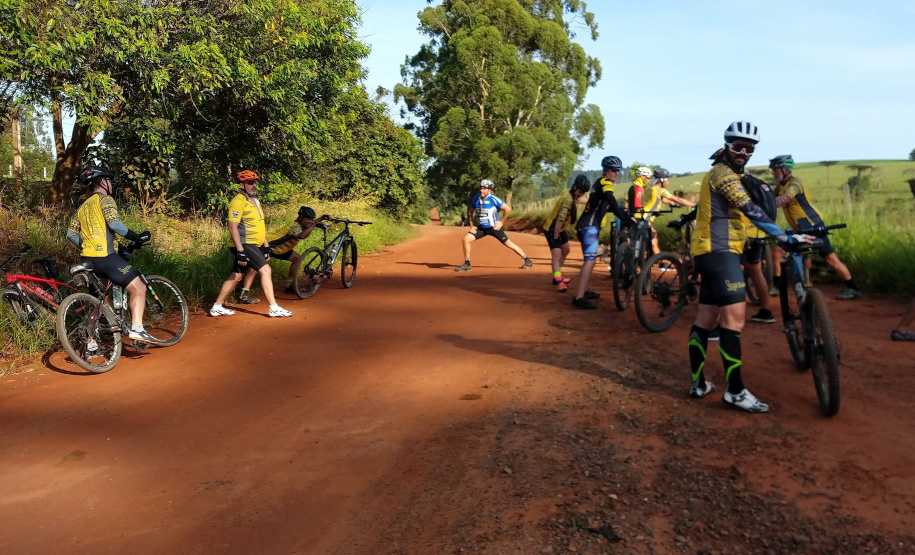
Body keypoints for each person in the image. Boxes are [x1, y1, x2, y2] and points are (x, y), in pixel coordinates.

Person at [688, 122, 811, 413]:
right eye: (737, 146)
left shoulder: (727, 173)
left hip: (708, 252)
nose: (743, 152)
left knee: (705, 318)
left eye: (750, 148)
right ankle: (735, 391)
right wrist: (784, 237)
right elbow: (749, 208)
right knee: (733, 323)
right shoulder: (722, 173)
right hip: (721, 252)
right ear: (726, 146)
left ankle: (698, 383)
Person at [66, 166, 161, 344]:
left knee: (97, 303)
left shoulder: (82, 207)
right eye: (108, 180)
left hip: (87, 258)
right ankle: (138, 330)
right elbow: (115, 225)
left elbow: (70, 234)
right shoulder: (105, 200)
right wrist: (137, 237)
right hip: (105, 257)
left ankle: (91, 344)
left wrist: (87, 245)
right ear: (102, 182)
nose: (110, 183)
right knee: (138, 287)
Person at [768, 155, 861, 300]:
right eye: (772, 170)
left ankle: (853, 288)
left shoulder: (795, 183)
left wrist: (769, 204)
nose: (773, 173)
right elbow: (769, 200)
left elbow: (786, 198)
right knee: (776, 252)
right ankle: (777, 286)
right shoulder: (779, 187)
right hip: (798, 229)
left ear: (786, 169)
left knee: (831, 260)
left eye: (775, 170)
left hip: (813, 226)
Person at [210, 170, 292, 318]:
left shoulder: (255, 201)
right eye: (249, 182)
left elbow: (260, 226)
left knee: (237, 276)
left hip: (256, 243)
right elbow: (232, 227)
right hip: (245, 244)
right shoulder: (237, 202)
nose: (253, 185)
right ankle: (273, 307)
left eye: (255, 182)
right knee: (266, 270)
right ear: (241, 185)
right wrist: (240, 250)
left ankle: (216, 306)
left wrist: (266, 246)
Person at [573, 156, 636, 309]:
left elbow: (605, 205)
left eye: (619, 170)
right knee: (590, 261)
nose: (617, 173)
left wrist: (623, 213)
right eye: (614, 170)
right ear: (606, 171)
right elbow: (611, 199)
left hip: (586, 226)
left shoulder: (598, 183)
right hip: (589, 227)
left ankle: (584, 290)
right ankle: (579, 296)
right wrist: (623, 216)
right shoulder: (605, 183)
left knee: (590, 261)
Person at [236, 206, 327, 302]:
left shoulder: (304, 223)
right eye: (308, 219)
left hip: (280, 249)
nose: (310, 221)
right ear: (300, 218)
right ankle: (244, 294)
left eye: (312, 219)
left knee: (297, 259)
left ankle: (290, 285)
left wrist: (321, 218)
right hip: (268, 246)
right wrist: (314, 225)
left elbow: (310, 224)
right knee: (255, 269)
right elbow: (302, 235)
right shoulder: (295, 226)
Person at [454, 179, 533, 272]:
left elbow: (507, 209)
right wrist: (472, 226)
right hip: (482, 228)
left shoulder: (493, 199)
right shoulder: (476, 198)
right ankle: (467, 264)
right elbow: (470, 212)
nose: (481, 190)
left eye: (484, 189)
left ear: (489, 190)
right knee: (466, 239)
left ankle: (527, 260)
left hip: (494, 228)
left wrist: (501, 222)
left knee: (508, 244)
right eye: (481, 188)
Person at [543, 175, 590, 292]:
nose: (580, 194)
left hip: (561, 229)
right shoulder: (567, 200)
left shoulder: (571, 196)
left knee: (566, 250)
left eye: (583, 193)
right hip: (553, 229)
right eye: (579, 191)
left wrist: (591, 201)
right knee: (557, 255)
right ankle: (559, 282)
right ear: (574, 187)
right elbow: (560, 219)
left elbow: (578, 200)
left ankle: (557, 275)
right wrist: (555, 236)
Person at [641, 167, 696, 255]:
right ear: (662, 180)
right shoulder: (661, 190)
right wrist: (694, 205)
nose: (668, 182)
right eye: (667, 180)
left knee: (649, 238)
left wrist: (672, 203)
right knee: (653, 238)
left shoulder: (650, 189)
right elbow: (677, 199)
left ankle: (648, 259)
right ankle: (659, 261)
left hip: (640, 215)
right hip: (646, 218)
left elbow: (658, 199)